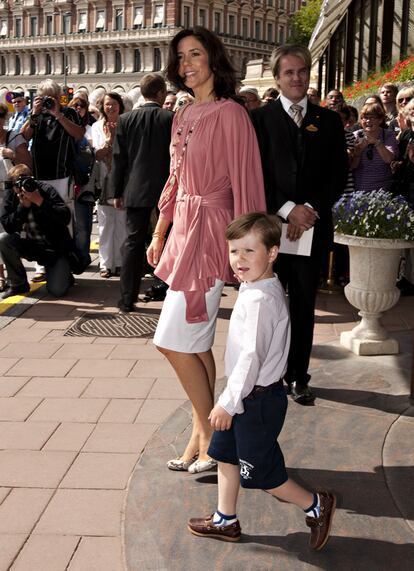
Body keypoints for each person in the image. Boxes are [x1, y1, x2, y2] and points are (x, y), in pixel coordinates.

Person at [146, 26, 266, 473]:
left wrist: (250, 255)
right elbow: (175, 182)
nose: (186, 64)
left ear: (214, 59)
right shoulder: (182, 115)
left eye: (194, 54)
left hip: (213, 234)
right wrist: (160, 233)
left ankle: (216, 437)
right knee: (194, 343)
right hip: (182, 236)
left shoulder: (231, 114)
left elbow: (248, 183)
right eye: (180, 58)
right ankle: (201, 434)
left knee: (172, 342)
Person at [188, 212, 336, 550]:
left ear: (272, 253)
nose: (238, 260)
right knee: (225, 453)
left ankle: (316, 505)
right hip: (247, 395)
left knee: (262, 474)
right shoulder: (259, 286)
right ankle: (225, 519)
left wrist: (228, 401)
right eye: (233, 252)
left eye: (248, 252)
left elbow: (251, 358)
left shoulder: (258, 299)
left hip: (255, 401)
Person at [251, 44, 348, 405]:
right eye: (289, 72)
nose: (297, 78)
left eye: (302, 71)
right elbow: (254, 175)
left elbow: (338, 175)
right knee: (269, 305)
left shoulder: (329, 121)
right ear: (277, 78)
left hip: (312, 227)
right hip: (272, 230)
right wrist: (288, 208)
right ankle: (267, 375)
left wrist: (308, 209)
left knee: (304, 305)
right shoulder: (259, 120)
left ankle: (298, 376)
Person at [111, 73, 173, 312]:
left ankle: (127, 298)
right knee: (167, 239)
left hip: (135, 188)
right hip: (167, 188)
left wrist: (117, 192)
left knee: (133, 242)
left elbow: (119, 159)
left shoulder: (126, 120)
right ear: (160, 93)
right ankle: (165, 289)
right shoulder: (171, 118)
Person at [20, 79, 85, 283]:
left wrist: (57, 113)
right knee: (39, 221)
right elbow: (23, 136)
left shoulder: (68, 112)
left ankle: (64, 264)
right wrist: (34, 114)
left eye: (53, 97)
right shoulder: (37, 116)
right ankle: (41, 265)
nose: (49, 101)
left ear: (59, 97)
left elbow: (79, 133)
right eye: (45, 98)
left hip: (61, 176)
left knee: (62, 221)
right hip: (39, 176)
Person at [0, 164, 76, 299]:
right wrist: (22, 207)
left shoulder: (44, 189)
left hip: (53, 248)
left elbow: (65, 217)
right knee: (4, 239)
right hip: (29, 245)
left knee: (57, 291)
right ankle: (19, 284)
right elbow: (7, 225)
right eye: (18, 184)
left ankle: (64, 274)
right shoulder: (11, 194)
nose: (23, 188)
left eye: (26, 181)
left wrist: (40, 201)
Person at [91, 91, 127, 278]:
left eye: (114, 103)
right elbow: (98, 154)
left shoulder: (127, 123)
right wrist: (110, 140)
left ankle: (120, 262)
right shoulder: (97, 127)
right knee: (105, 225)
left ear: (120, 105)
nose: (110, 107)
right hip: (104, 180)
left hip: (122, 179)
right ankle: (105, 264)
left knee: (121, 222)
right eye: (107, 104)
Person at [0, 102, 32, 291]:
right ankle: (1, 276)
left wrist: (12, 155)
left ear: (4, 119)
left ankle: (16, 275)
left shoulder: (15, 137)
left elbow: (28, 165)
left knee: (7, 233)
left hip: (13, 192)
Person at [351, 102, 397, 193]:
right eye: (364, 118)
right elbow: (352, 166)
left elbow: (388, 159)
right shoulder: (355, 136)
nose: (367, 121)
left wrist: (376, 142)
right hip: (359, 190)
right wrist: (358, 152)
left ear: (380, 120)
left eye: (372, 118)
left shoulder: (388, 135)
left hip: (383, 190)